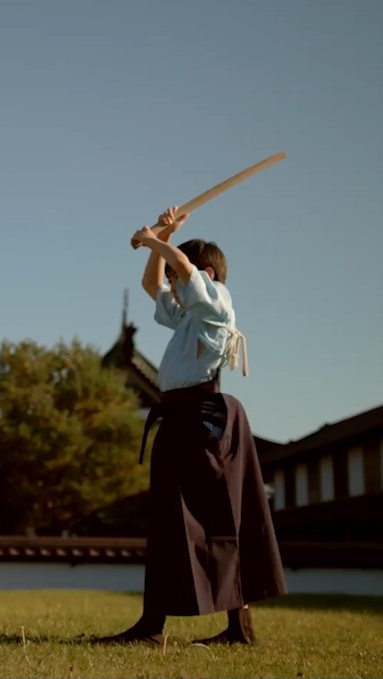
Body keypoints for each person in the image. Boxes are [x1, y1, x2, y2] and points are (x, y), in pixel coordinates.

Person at [96, 206, 286, 647]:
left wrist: (153, 239)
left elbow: (180, 267)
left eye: (182, 281)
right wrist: (162, 235)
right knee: (167, 521)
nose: (173, 288)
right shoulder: (187, 317)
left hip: (205, 424)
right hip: (178, 420)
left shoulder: (218, 306)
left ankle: (239, 629)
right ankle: (152, 626)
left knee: (218, 522)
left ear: (205, 275)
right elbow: (152, 282)